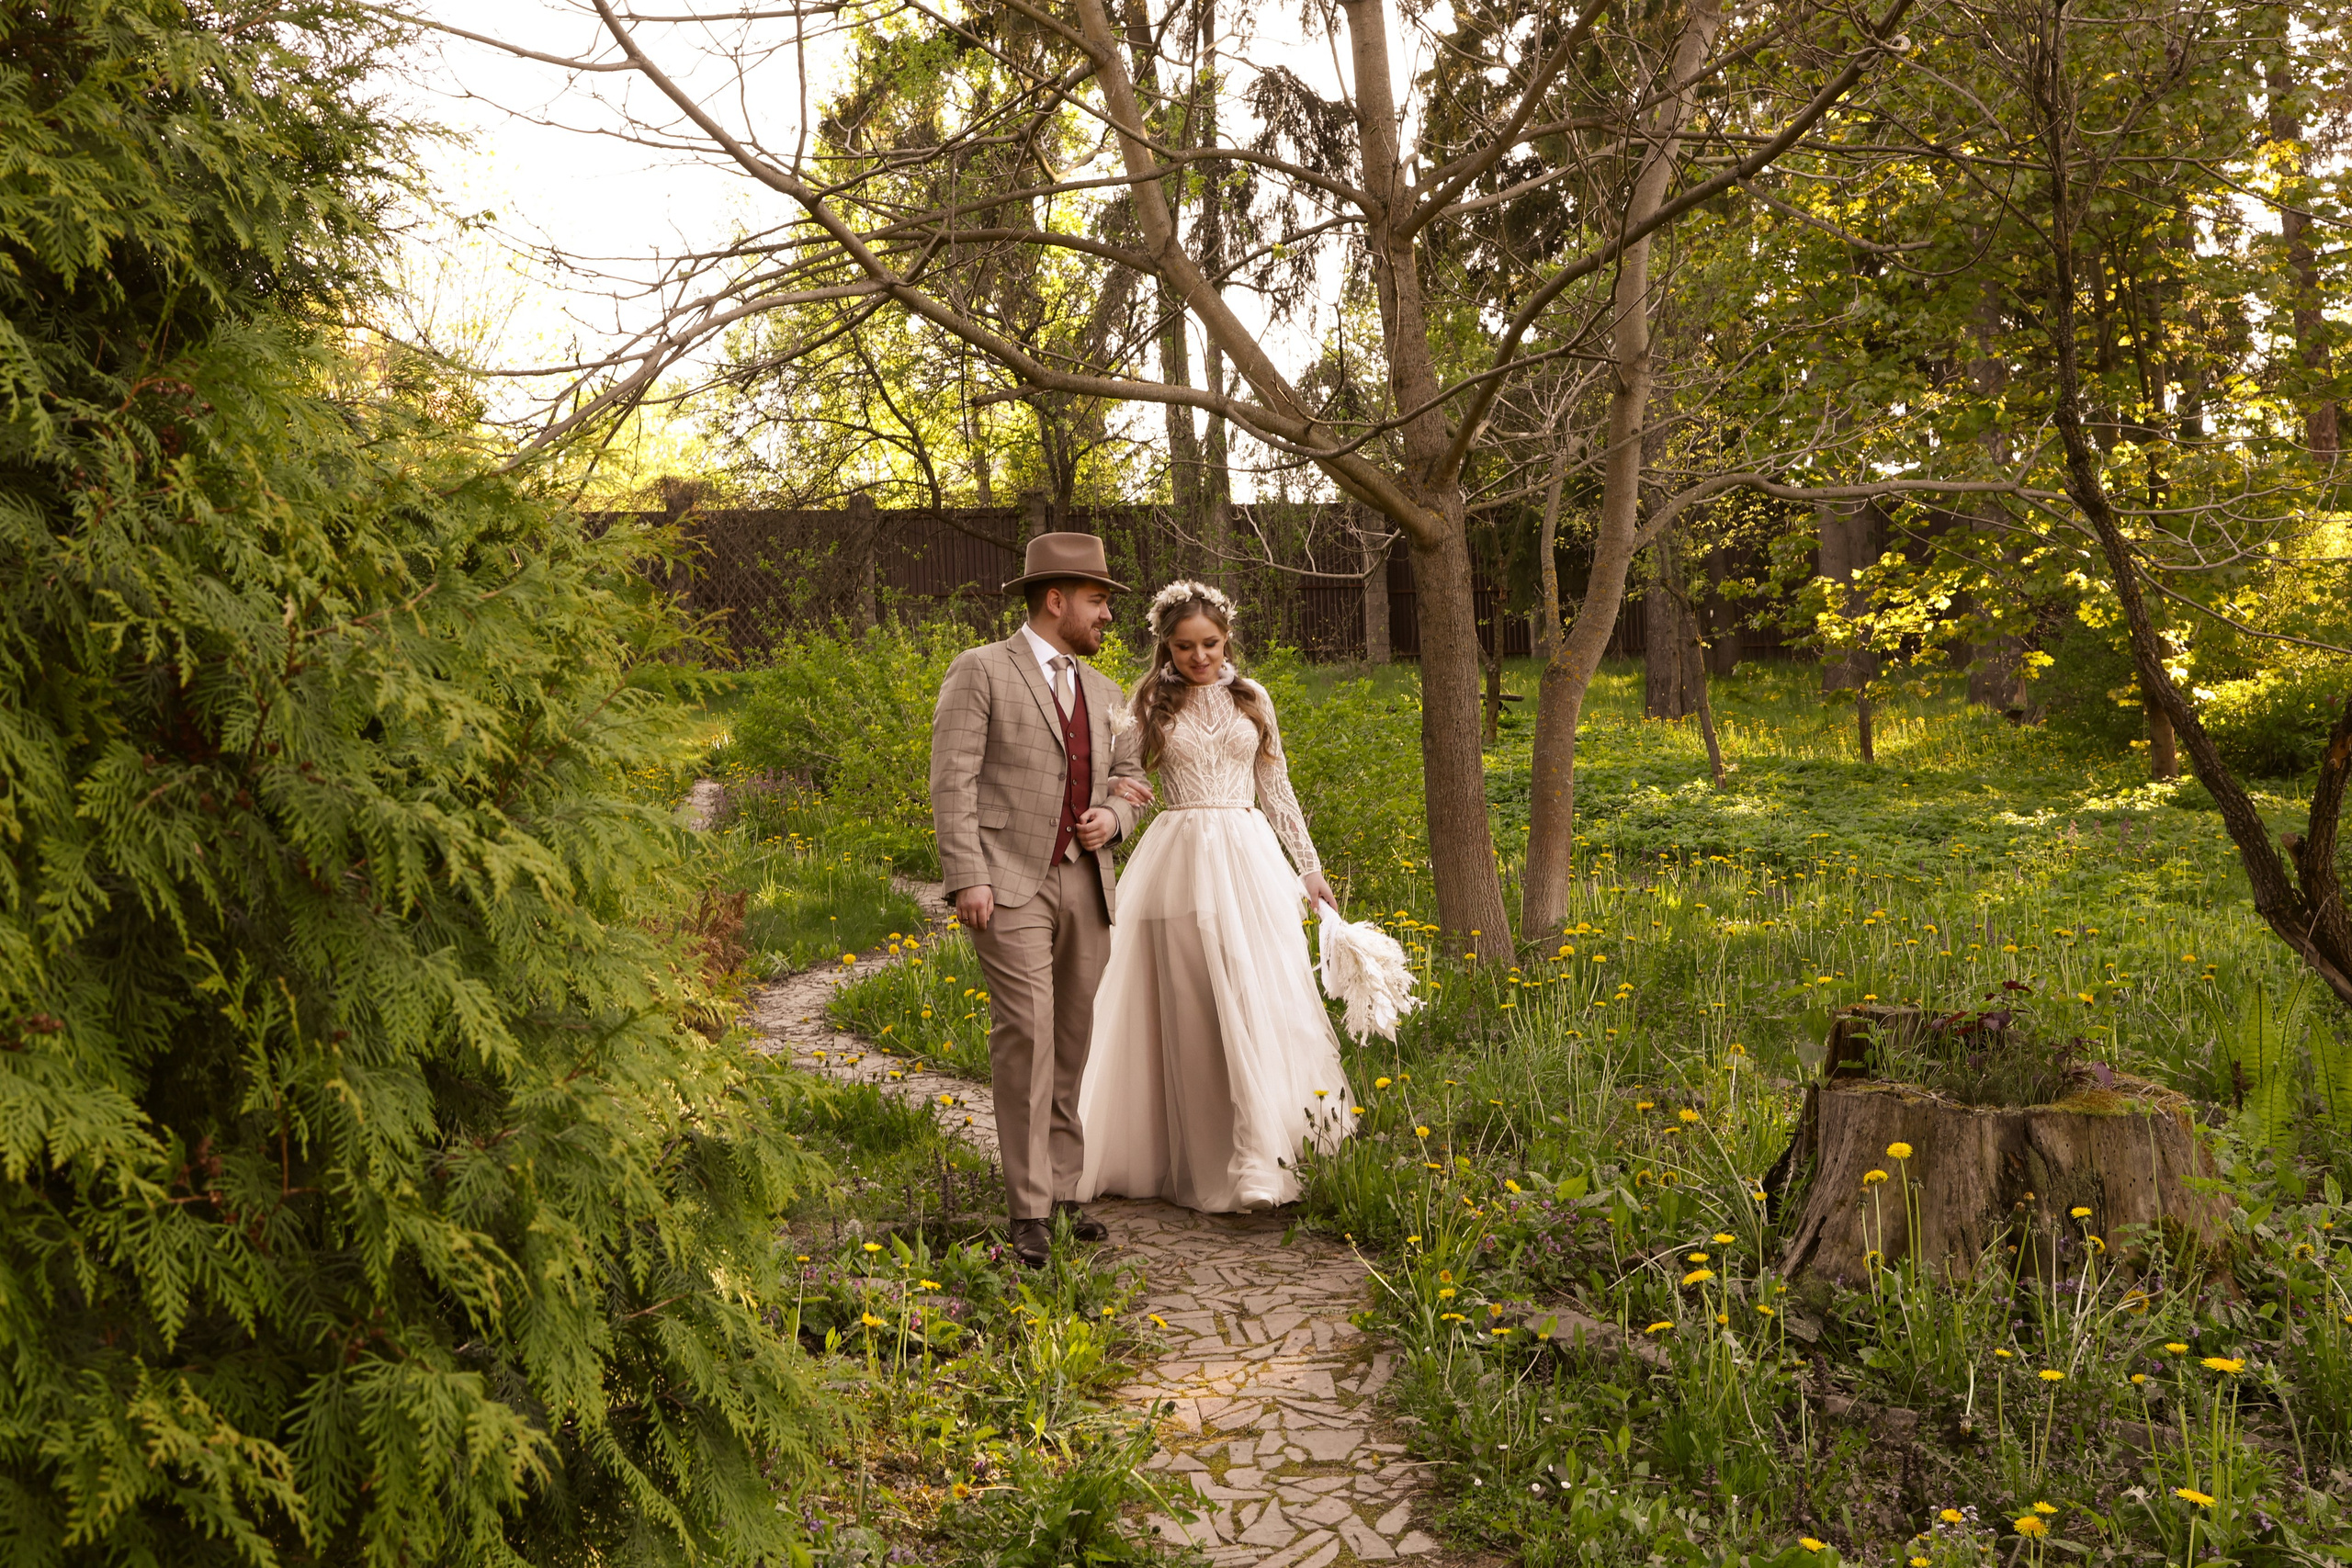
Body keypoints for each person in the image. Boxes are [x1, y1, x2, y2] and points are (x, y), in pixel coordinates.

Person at [1074, 581, 1356, 1213]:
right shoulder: (1145, 701)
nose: (1198, 657)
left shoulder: (1253, 697)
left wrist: (1309, 870)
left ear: (1227, 638)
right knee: (1195, 1004)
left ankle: (1261, 1154)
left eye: (1209, 643)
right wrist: (1111, 814)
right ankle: (1198, 1156)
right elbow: (1128, 784)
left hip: (1248, 858)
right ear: (1165, 647)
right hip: (1178, 858)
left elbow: (1276, 788)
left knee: (1254, 996)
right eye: (1183, 647)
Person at [929, 533, 1152, 1268]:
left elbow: (1133, 781)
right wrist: (968, 876)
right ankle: (1027, 1210)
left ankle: (1063, 1190)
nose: (1108, 616)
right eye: (1098, 601)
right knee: (1026, 1031)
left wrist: (1113, 819)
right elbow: (952, 778)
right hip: (1008, 879)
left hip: (1086, 882)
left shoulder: (1107, 692)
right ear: (1055, 600)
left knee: (1073, 1036)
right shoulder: (981, 671)